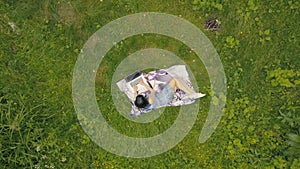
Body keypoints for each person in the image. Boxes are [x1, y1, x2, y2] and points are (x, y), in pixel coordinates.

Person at [133, 76, 205, 110]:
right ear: (145, 100)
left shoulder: (143, 105)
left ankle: (188, 92)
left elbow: (136, 99)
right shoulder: (150, 100)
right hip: (165, 95)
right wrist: (143, 84)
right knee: (175, 80)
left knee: (177, 85)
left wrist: (135, 90)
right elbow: (152, 91)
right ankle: (192, 94)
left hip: (164, 99)